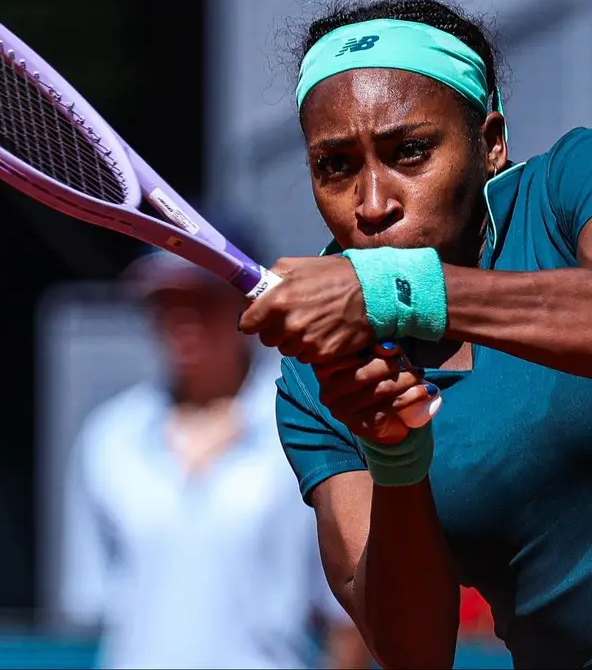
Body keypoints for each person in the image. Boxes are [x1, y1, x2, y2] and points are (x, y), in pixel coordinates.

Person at [238, 0, 592, 669]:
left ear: (491, 142)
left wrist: (395, 290)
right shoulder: (314, 382)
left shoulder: (575, 181)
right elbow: (412, 653)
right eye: (336, 166)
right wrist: (395, 456)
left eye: (410, 152)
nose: (373, 203)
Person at [58, 211, 370, 670]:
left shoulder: (310, 422)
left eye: (203, 298)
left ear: (248, 305)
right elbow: (95, 605)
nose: (183, 319)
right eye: (166, 301)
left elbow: (351, 615)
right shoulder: (107, 439)